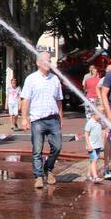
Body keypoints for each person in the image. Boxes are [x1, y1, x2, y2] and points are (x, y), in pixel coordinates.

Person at [20, 52, 63, 189]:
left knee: (57, 147)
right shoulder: (31, 79)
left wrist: (60, 117)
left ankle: (48, 168)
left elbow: (59, 100)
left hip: (53, 118)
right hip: (37, 119)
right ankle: (38, 176)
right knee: (37, 150)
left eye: (50, 60)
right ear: (38, 63)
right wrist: (24, 118)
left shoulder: (55, 79)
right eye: (46, 61)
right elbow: (26, 100)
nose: (48, 63)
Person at [84, 107, 105, 183]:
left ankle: (88, 175)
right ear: (94, 113)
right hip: (92, 146)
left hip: (98, 145)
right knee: (94, 160)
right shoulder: (90, 123)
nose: (101, 116)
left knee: (93, 161)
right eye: (100, 114)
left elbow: (103, 131)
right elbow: (86, 134)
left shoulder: (99, 122)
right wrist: (88, 145)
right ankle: (95, 177)